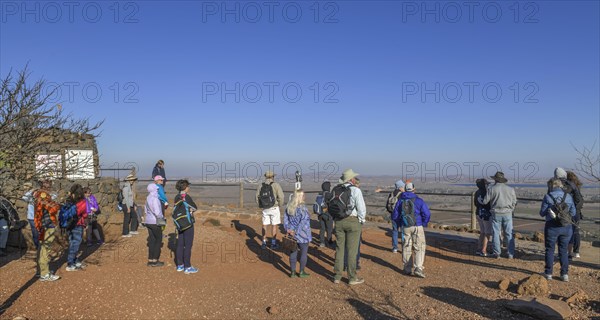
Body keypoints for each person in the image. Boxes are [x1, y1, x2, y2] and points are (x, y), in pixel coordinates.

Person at [332, 169, 366, 285]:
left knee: (339, 249)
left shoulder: (337, 190)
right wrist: (361, 220)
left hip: (338, 221)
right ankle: (352, 277)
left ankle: (337, 276)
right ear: (351, 179)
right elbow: (361, 208)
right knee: (352, 251)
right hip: (352, 221)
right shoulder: (356, 190)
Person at [392, 182, 431, 278]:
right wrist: (423, 223)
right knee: (419, 247)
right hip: (417, 226)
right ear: (414, 189)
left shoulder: (400, 200)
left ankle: (407, 268)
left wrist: (400, 224)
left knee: (406, 246)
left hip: (405, 226)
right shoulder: (419, 200)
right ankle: (418, 268)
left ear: (405, 189)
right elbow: (427, 213)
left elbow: (395, 215)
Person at [540, 178, 576, 281]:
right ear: (561, 186)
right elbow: (573, 213)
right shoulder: (568, 196)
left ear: (551, 186)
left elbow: (542, 213)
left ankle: (548, 273)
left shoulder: (548, 196)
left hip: (552, 226)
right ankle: (564, 274)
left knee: (549, 249)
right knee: (563, 251)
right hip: (566, 226)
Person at [482, 171, 517, 259]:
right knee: (509, 233)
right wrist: (511, 209)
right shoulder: (510, 189)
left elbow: (485, 201)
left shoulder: (491, 189)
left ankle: (497, 253)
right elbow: (514, 202)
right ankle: (510, 253)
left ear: (495, 180)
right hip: (507, 213)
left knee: (496, 233)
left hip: (496, 213)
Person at [555, 168, 584, 259]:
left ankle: (566, 253)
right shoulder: (576, 187)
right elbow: (579, 200)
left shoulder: (567, 187)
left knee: (566, 232)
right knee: (575, 232)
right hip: (576, 212)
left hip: (569, 212)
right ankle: (576, 251)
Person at [33, 186, 61, 281]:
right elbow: (53, 209)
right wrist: (56, 205)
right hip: (47, 226)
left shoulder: (39, 197)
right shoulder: (43, 196)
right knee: (45, 249)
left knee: (42, 249)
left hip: (43, 226)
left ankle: (40, 271)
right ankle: (45, 274)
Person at [284, 189, 312, 278]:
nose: (305, 197)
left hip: (292, 233)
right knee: (303, 253)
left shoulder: (289, 206)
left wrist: (288, 229)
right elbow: (303, 222)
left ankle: (292, 272)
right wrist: (297, 232)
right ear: (299, 196)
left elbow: (285, 219)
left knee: (293, 252)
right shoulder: (303, 208)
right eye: (303, 195)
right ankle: (301, 272)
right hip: (303, 234)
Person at [174, 179, 198, 274]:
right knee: (188, 245)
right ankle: (187, 266)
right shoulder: (186, 197)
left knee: (180, 244)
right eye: (188, 186)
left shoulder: (177, 196)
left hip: (179, 223)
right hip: (188, 223)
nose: (189, 188)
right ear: (185, 187)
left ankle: (180, 265)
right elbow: (195, 207)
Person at [255, 171, 285, 249]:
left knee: (264, 225)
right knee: (274, 225)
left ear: (265, 177)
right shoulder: (276, 185)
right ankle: (273, 243)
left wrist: (260, 205)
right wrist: (279, 205)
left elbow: (257, 197)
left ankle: (264, 243)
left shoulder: (261, 185)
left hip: (265, 208)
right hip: (274, 207)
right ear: (273, 177)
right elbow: (281, 197)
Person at [65, 184, 88, 272]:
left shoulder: (68, 200)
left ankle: (74, 260)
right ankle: (70, 263)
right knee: (76, 244)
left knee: (72, 242)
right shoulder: (82, 201)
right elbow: (84, 213)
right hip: (78, 224)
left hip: (69, 224)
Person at [145, 183, 165, 267]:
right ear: (153, 190)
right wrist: (162, 218)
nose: (157, 190)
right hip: (155, 222)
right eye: (156, 189)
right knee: (158, 240)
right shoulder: (155, 199)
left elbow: (146, 211)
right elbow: (158, 212)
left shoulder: (147, 198)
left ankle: (150, 260)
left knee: (152, 240)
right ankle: (155, 260)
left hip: (148, 221)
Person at [386, 180, 405, 253]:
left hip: (394, 216)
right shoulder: (402, 194)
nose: (404, 187)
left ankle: (395, 248)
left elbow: (387, 206)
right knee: (403, 231)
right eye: (403, 186)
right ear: (400, 187)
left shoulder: (391, 194)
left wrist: (392, 212)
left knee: (395, 231)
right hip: (401, 216)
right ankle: (404, 248)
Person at [474, 178, 492, 256]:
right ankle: (483, 250)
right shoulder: (486, 192)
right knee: (487, 233)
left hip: (478, 213)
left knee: (482, 232)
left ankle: (479, 248)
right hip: (486, 214)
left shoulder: (477, 192)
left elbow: (475, 203)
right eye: (486, 184)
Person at [314, 181, 333, 248]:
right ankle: (329, 241)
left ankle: (322, 242)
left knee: (322, 228)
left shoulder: (319, 194)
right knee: (329, 228)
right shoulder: (329, 195)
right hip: (327, 215)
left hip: (320, 214)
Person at [22, 182, 40, 249]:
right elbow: (24, 198)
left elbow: (54, 196)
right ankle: (37, 245)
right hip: (31, 217)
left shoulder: (41, 194)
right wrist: (31, 192)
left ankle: (41, 245)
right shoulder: (29, 195)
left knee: (40, 231)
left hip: (40, 216)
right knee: (35, 232)